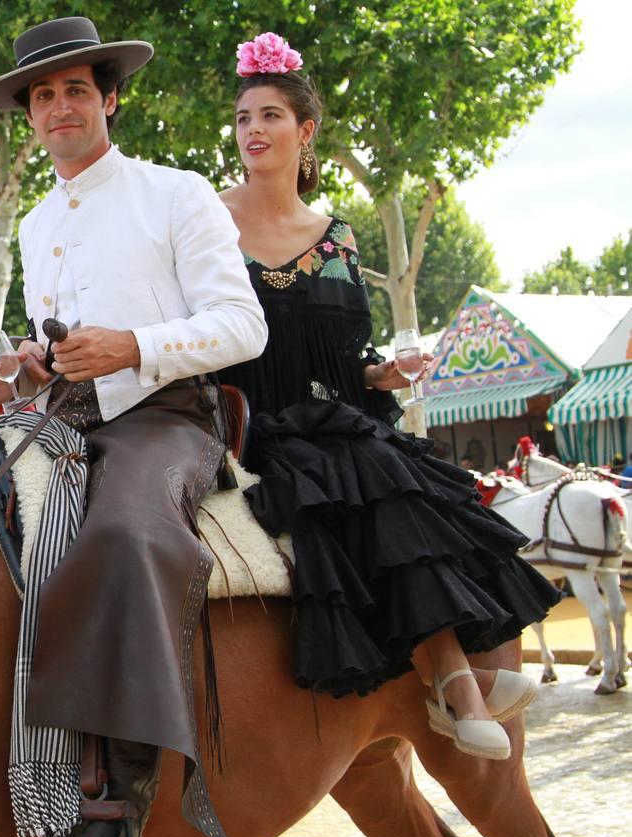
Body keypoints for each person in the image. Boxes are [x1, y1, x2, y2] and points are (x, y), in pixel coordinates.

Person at [0, 16, 267, 837]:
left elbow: (243, 326)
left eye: (75, 90)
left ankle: (120, 800)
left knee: (125, 534)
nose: (59, 106)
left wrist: (134, 347)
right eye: (42, 95)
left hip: (168, 415)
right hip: (62, 415)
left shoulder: (176, 192)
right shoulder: (31, 225)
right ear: (30, 115)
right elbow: (55, 345)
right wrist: (21, 369)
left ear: (107, 99)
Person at [216, 33, 554, 761]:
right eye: (244, 118)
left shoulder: (338, 238)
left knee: (399, 474)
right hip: (241, 424)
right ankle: (457, 688)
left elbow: (347, 361)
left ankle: (455, 685)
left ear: (305, 133)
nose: (253, 131)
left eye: (270, 115)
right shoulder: (205, 224)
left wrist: (382, 376)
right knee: (365, 473)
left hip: (326, 416)